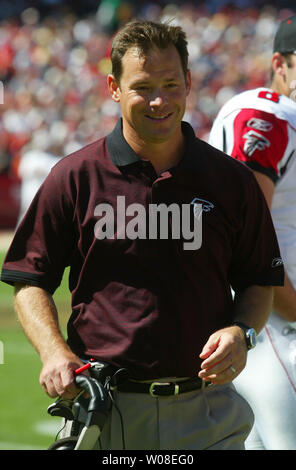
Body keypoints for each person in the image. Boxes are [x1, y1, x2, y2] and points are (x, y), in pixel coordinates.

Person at [1, 19, 284, 451]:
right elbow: (28, 277)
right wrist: (53, 351)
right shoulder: (75, 177)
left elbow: (260, 279)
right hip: (105, 410)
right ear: (114, 87)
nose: (159, 100)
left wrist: (242, 331)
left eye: (171, 84)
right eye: (143, 86)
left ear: (189, 82)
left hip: (209, 412)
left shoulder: (231, 181)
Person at [209, 15, 296, 450]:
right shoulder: (269, 114)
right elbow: (247, 227)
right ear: (281, 64)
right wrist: (292, 305)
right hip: (277, 326)